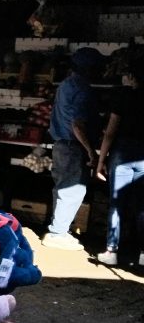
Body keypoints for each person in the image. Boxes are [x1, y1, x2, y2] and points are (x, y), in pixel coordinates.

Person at [43, 47, 103, 250]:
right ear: (90, 68)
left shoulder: (66, 85)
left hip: (61, 145)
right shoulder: (82, 89)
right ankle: (57, 233)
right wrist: (90, 150)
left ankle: (58, 229)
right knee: (72, 189)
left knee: (62, 188)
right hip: (72, 146)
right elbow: (77, 125)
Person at [95, 59, 144, 265]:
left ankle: (111, 251)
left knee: (117, 203)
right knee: (142, 206)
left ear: (132, 77)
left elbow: (110, 132)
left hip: (122, 153)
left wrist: (100, 161)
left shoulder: (123, 97)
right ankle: (143, 254)